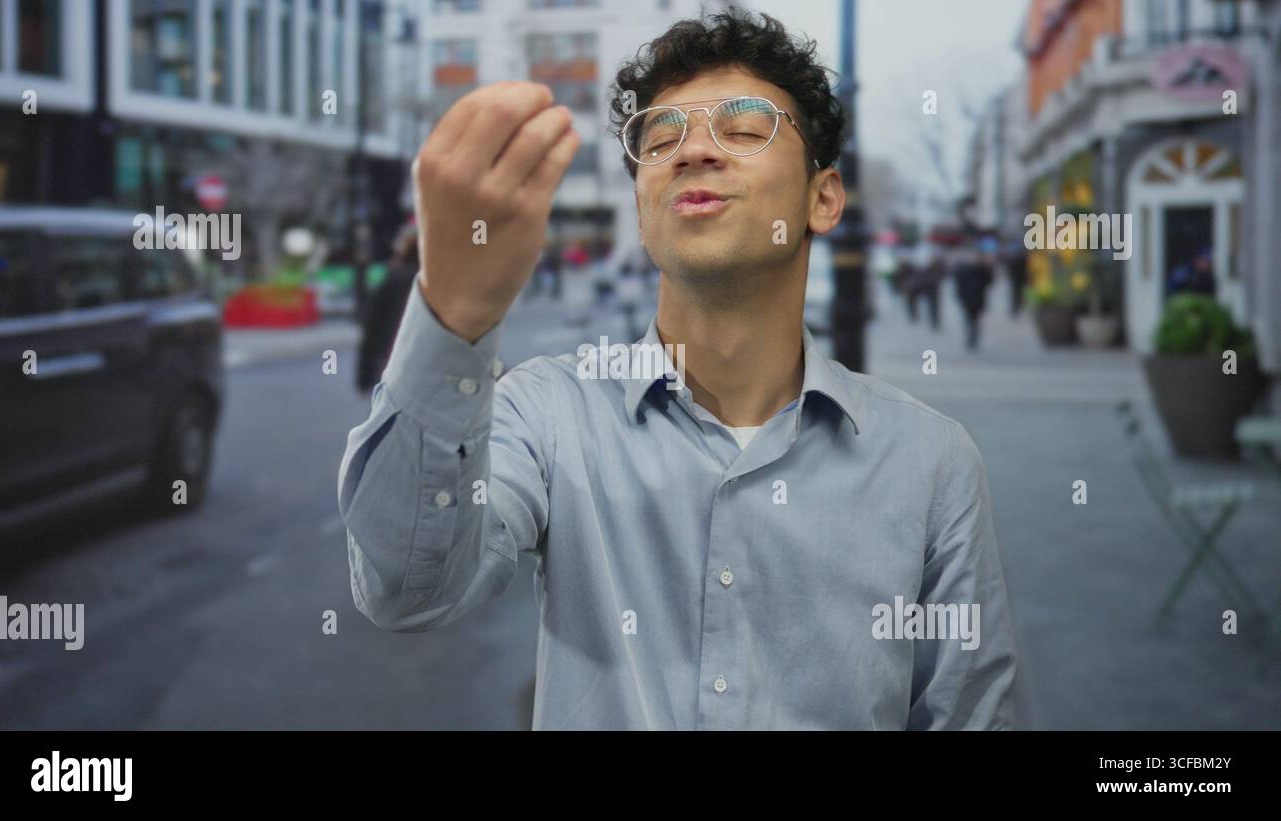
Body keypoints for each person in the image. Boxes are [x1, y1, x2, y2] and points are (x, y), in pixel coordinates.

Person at [338, 9, 1018, 730]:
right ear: (640, 205)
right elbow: (407, 588)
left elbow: (968, 713)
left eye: (747, 127)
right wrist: (453, 316)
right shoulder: (548, 411)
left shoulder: (931, 461)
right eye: (659, 137)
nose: (694, 150)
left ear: (823, 198)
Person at [355, 222, 419, 395]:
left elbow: (373, 329)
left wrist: (364, 377)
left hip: (393, 364)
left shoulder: (394, 278)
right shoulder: (440, 284)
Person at [953, 236, 995, 351]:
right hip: (969, 297)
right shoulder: (963, 268)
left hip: (977, 297)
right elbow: (958, 283)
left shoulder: (979, 268)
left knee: (974, 318)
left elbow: (989, 281)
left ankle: (973, 335)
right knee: (970, 317)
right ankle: (972, 335)